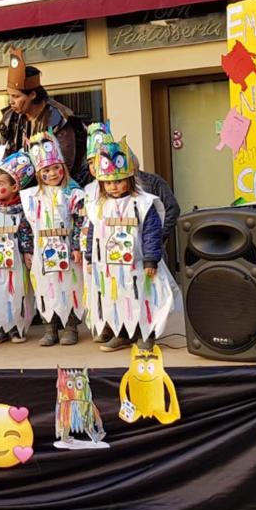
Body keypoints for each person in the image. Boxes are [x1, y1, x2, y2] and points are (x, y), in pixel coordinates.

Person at [83, 135, 177, 352]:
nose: (113, 187)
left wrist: (151, 259)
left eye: (118, 181)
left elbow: (152, 231)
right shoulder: (98, 206)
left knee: (143, 297)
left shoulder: (143, 203)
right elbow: (92, 232)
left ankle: (146, 334)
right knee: (116, 299)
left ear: (130, 179)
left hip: (138, 264)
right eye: (108, 182)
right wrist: (90, 257)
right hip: (110, 267)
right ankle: (121, 333)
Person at [17, 131, 86, 346]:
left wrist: (76, 245)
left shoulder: (74, 194)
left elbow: (80, 222)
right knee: (46, 287)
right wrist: (27, 250)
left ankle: (70, 326)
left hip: (67, 248)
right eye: (46, 170)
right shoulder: (31, 197)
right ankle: (50, 327)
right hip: (42, 249)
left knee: (69, 287)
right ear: (39, 173)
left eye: (56, 168)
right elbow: (26, 226)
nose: (53, 173)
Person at [0, 46, 91, 187]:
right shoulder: (11, 119)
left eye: (16, 96)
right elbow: (6, 157)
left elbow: (66, 166)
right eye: (9, 96)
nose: (11, 101)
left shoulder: (58, 119)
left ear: (32, 95)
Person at [0, 151, 36, 345]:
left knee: (18, 292)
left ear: (15, 186)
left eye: (1, 184)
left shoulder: (23, 211)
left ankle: (16, 327)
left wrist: (28, 252)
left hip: (17, 262)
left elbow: (26, 233)